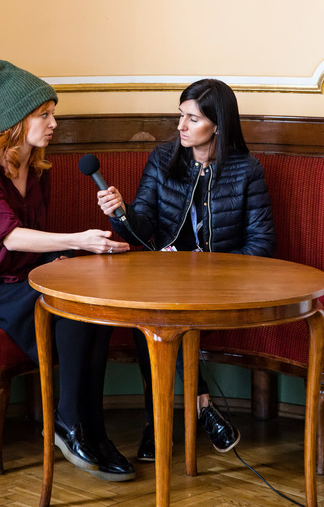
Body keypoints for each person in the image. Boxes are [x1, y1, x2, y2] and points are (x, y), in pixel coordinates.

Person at [0, 59, 135, 481]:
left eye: (53, 113)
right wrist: (78, 240)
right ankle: (68, 422)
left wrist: (58, 260)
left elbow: (31, 243)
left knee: (96, 304)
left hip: (21, 276)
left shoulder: (38, 168)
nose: (54, 123)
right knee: (68, 309)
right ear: (17, 121)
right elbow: (11, 238)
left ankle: (93, 430)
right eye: (44, 115)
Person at [96, 78, 276, 461]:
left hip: (221, 286)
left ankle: (157, 428)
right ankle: (197, 409)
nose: (180, 126)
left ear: (218, 124)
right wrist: (121, 212)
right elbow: (142, 227)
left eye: (192, 119)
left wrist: (210, 272)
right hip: (165, 282)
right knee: (151, 316)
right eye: (180, 116)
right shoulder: (163, 159)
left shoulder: (247, 170)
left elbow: (261, 246)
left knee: (155, 319)